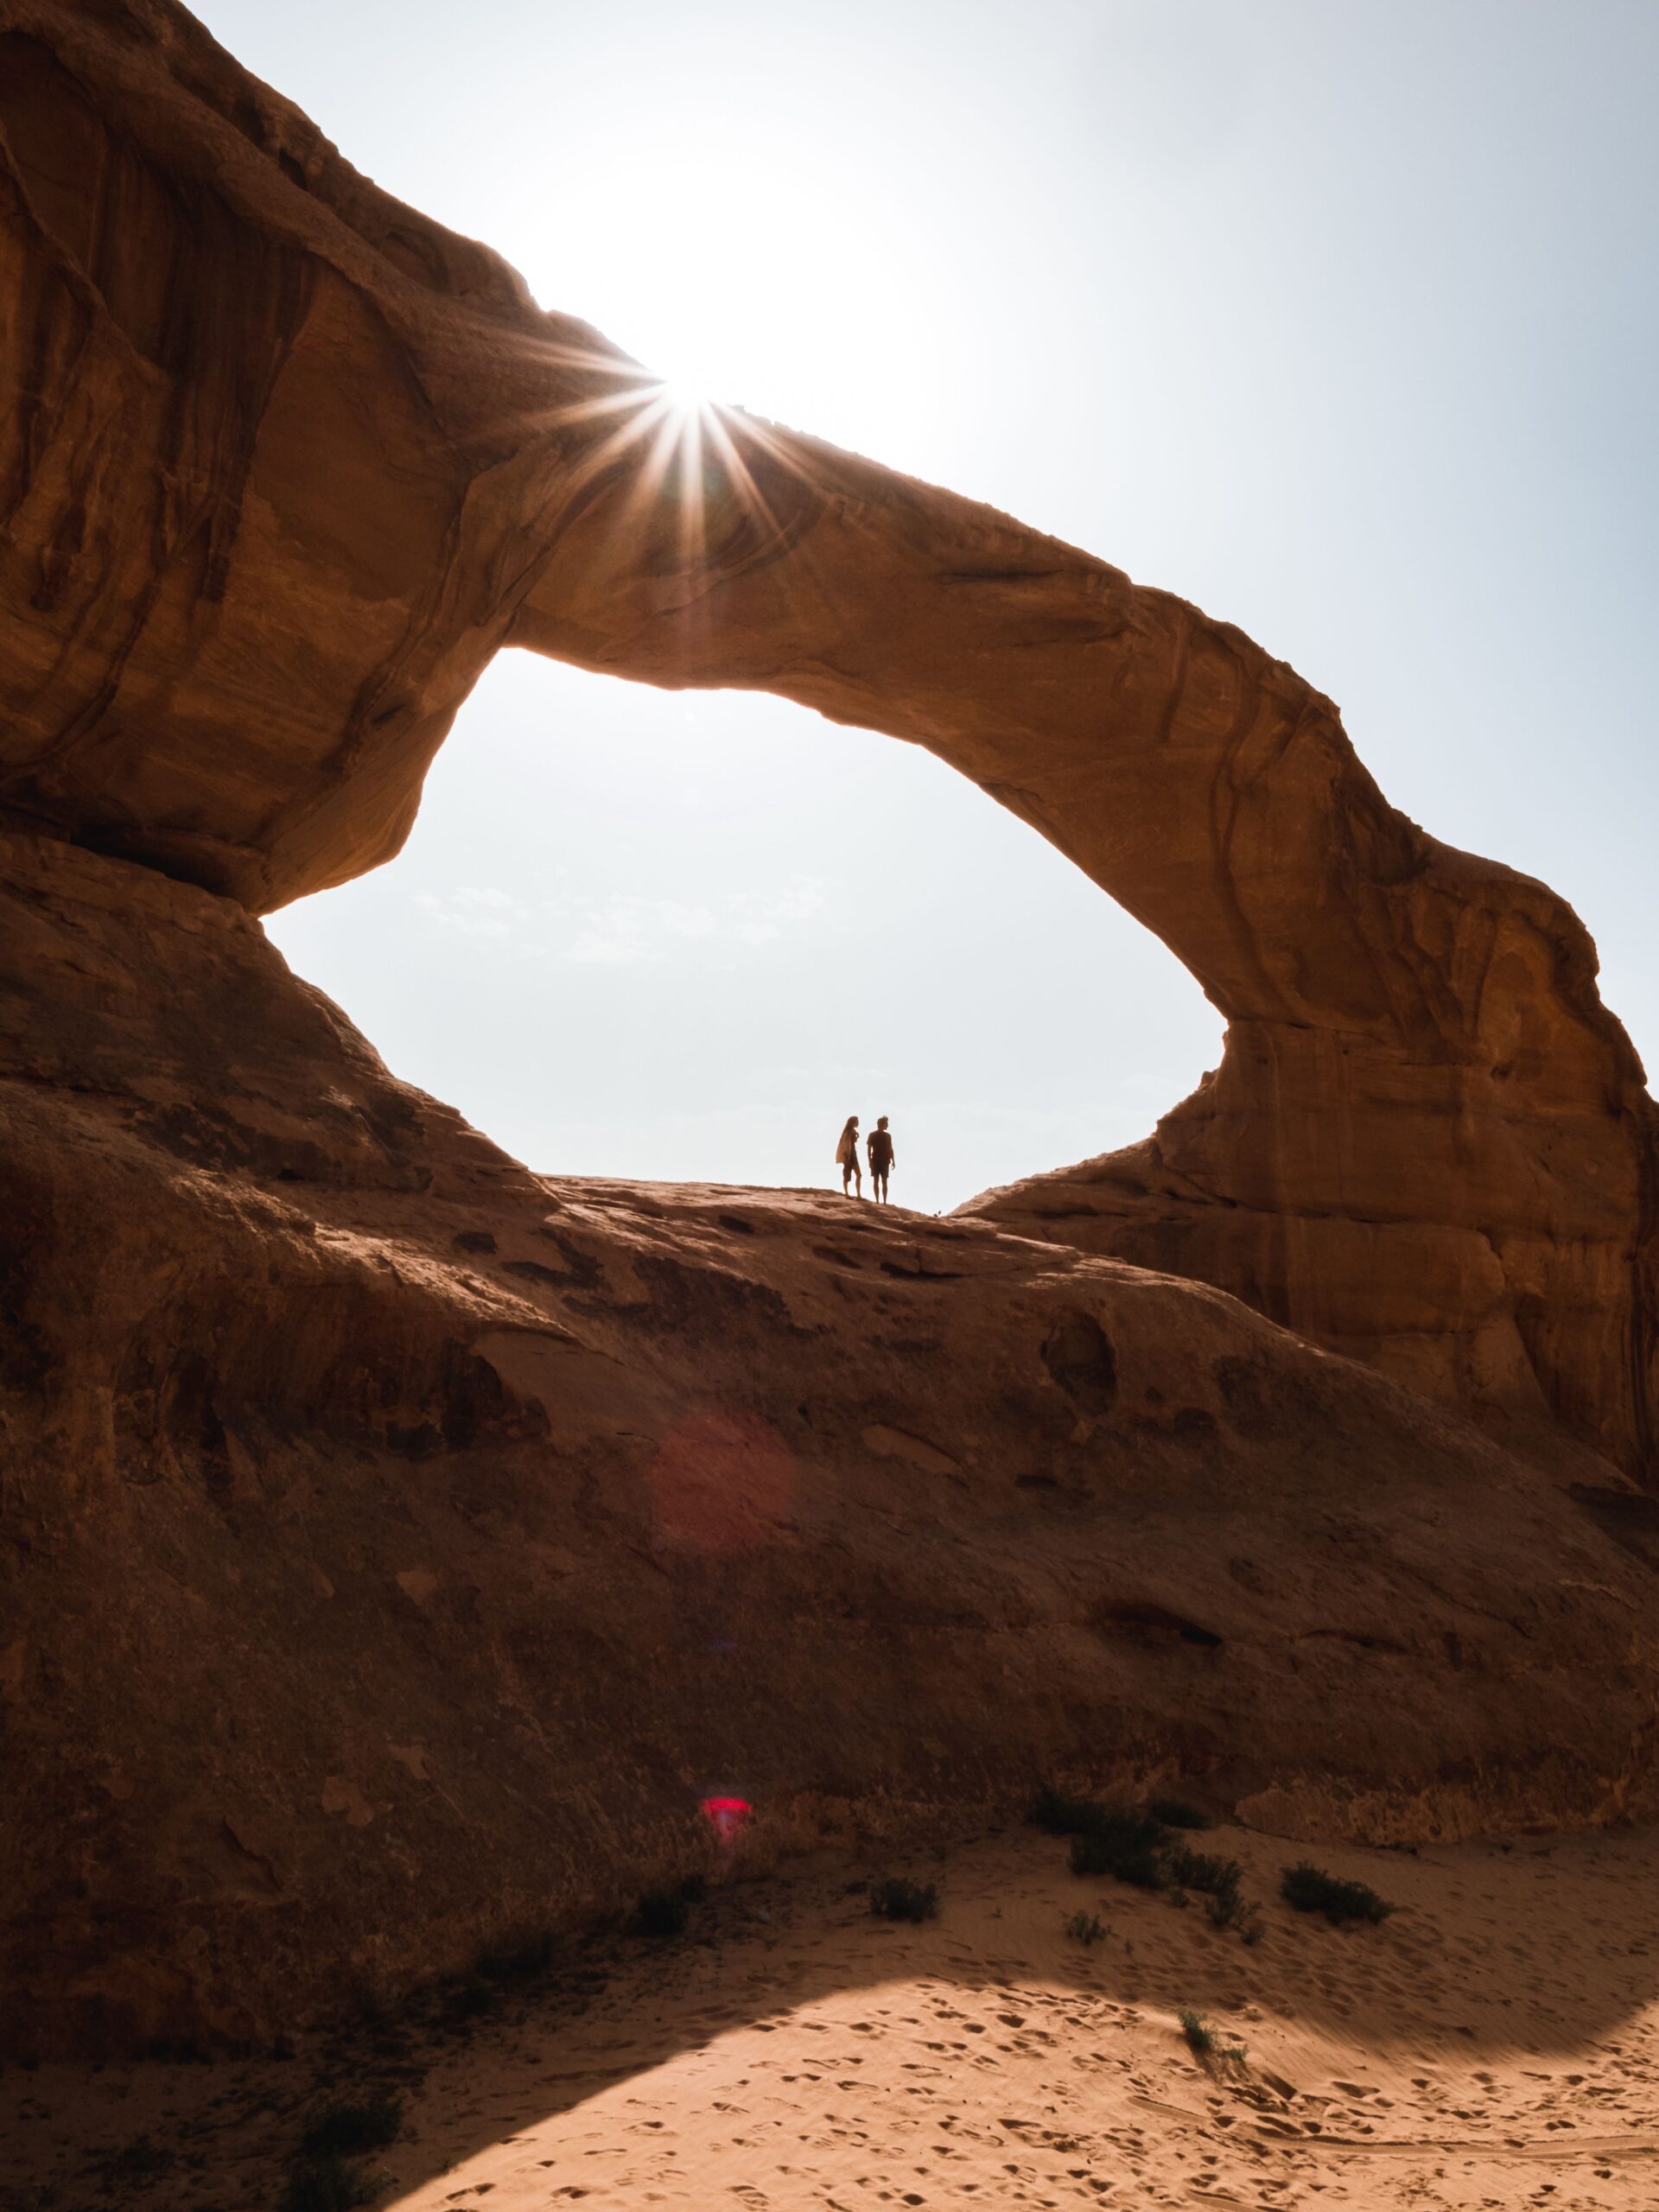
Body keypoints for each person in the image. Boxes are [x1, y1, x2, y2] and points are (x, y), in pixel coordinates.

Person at [868, 1115, 895, 1203]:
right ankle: (880, 1201)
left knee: (880, 1181)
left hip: (882, 1161)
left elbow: (890, 1149)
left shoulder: (887, 1136)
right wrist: (870, 1161)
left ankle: (882, 1201)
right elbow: (869, 1149)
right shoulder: (873, 1135)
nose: (888, 1125)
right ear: (882, 1124)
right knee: (881, 1181)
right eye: (886, 1124)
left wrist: (893, 1160)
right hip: (879, 1161)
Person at [835, 1114, 862, 1197]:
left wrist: (856, 1137)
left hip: (852, 1154)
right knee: (847, 1175)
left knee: (858, 1175)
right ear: (853, 1122)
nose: (858, 1123)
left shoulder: (852, 1131)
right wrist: (846, 1155)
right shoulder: (848, 1131)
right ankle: (847, 1194)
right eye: (857, 1121)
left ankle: (858, 1195)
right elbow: (845, 1143)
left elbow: (852, 1142)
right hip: (848, 1155)